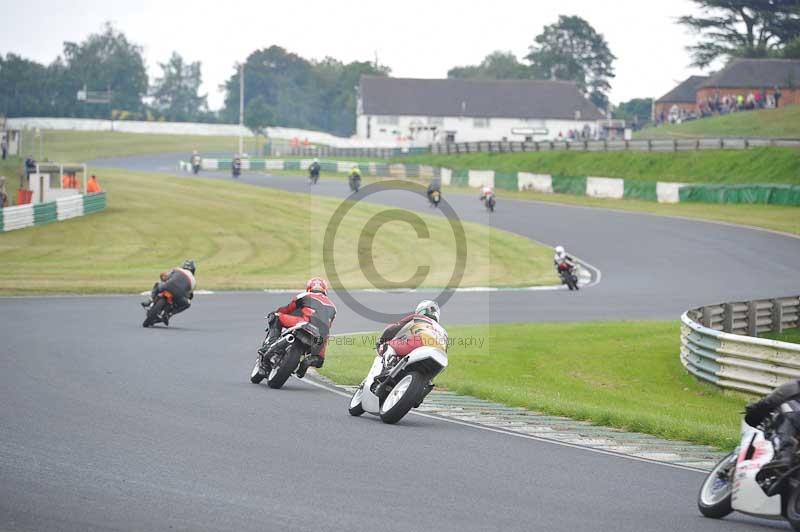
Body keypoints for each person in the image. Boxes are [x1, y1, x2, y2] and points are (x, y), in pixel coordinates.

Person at [260, 277, 336, 378]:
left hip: (304, 323)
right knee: (320, 356)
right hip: (320, 335)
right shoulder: (333, 306)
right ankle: (307, 362)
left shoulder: (305, 295)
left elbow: (288, 309)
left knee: (277, 317)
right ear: (325, 290)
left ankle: (268, 345)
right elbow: (328, 325)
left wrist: (275, 313)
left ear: (309, 287)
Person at [745, 380, 800, 474]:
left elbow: (767, 403)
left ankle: (784, 454)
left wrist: (753, 411)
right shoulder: (793, 387)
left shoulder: (793, 388)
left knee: (791, 412)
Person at [375, 300, 447, 366]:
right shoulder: (443, 331)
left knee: (388, 345)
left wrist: (381, 341)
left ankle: (387, 367)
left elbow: (393, 329)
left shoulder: (418, 318)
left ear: (421, 311)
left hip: (422, 342)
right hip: (440, 355)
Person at [141, 260, 197, 325]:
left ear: (183, 266)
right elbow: (189, 295)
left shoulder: (177, 269)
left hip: (167, 286)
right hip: (178, 294)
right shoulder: (194, 281)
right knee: (188, 304)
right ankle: (169, 314)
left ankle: (149, 301)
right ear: (193, 270)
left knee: (157, 284)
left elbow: (165, 277)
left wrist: (165, 280)